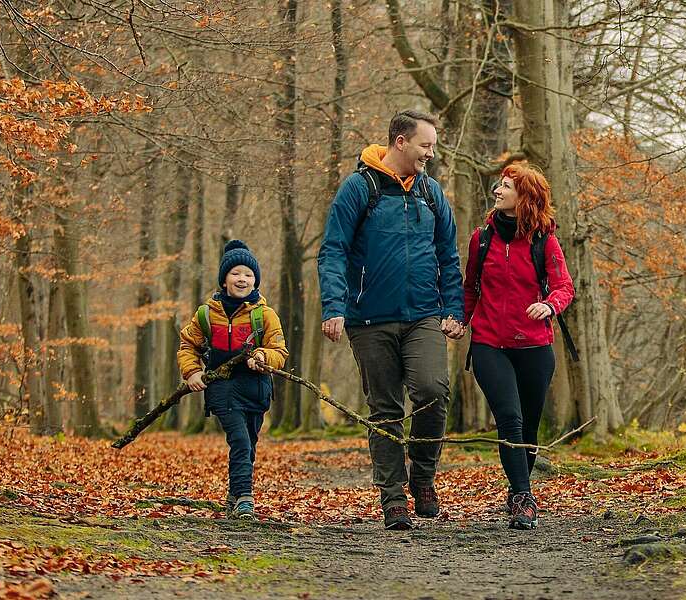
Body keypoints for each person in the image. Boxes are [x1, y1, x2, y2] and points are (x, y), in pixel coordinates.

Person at [318, 110, 465, 530]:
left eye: (432, 146)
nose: (430, 154)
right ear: (400, 142)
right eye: (425, 145)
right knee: (384, 408)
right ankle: (393, 496)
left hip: (424, 315)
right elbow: (333, 251)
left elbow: (448, 258)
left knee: (433, 390)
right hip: (369, 319)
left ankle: (422, 476)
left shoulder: (431, 193)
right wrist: (334, 307)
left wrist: (453, 310)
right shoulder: (359, 188)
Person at [462, 163, 574, 530]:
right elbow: (470, 287)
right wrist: (460, 320)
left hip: (535, 347)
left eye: (506, 186)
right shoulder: (482, 238)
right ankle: (524, 497)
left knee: (528, 427)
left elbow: (564, 288)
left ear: (524, 198)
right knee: (509, 418)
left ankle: (517, 491)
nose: (497, 190)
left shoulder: (545, 241)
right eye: (499, 184)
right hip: (489, 343)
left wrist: (548, 305)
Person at [176, 239, 289, 519]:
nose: (242, 279)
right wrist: (192, 372)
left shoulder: (265, 316)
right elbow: (188, 345)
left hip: (256, 389)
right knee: (239, 440)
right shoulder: (206, 314)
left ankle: (234, 493)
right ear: (224, 279)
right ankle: (246, 500)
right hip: (222, 387)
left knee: (249, 442)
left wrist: (262, 357)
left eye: (248, 275)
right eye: (236, 273)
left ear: (256, 281)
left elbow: (279, 351)